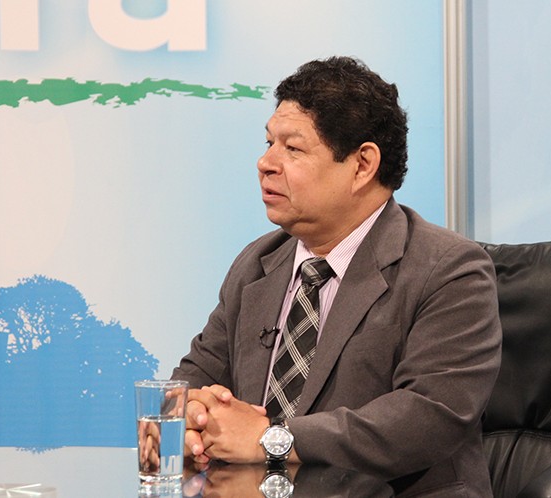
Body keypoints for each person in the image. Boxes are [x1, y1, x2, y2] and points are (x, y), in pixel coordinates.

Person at [171, 56, 502, 497]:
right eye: (269, 143)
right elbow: (195, 376)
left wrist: (271, 439)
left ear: (362, 164)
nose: (265, 162)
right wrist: (186, 420)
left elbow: (428, 416)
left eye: (293, 149)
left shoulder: (449, 269)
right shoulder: (258, 263)